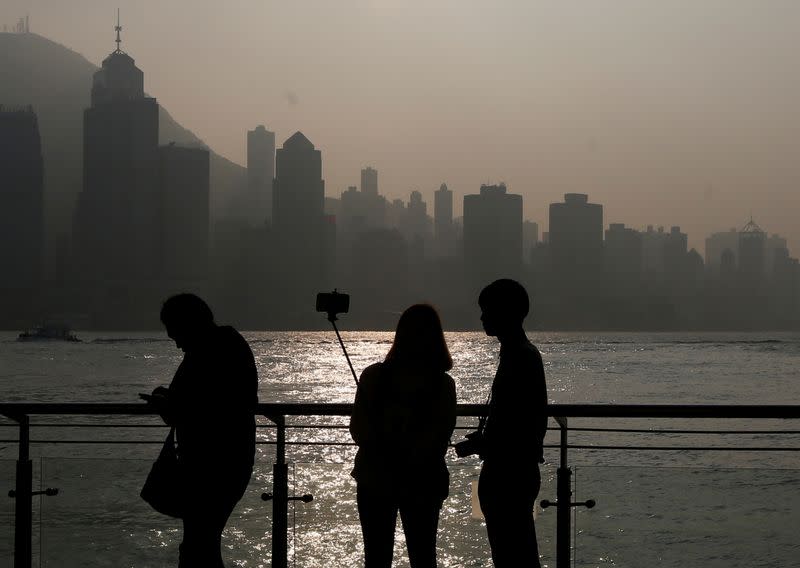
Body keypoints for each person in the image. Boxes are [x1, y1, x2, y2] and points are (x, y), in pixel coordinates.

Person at [146, 293, 258, 568]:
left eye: (176, 335)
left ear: (187, 325)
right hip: (228, 462)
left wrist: (168, 404)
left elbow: (197, 407)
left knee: (198, 546)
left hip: (209, 467)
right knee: (202, 543)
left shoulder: (205, 352)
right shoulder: (229, 345)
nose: (177, 345)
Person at [350, 304, 457, 568]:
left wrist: (384, 445)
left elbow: (358, 430)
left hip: (375, 478)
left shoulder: (373, 376)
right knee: (423, 556)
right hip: (424, 480)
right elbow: (441, 434)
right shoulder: (443, 384)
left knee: (376, 556)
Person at [468, 279, 548, 567]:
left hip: (509, 475)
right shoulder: (519, 355)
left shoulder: (521, 358)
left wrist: (485, 443)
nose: (482, 317)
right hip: (512, 472)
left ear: (505, 313)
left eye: (486, 310)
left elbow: (520, 426)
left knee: (513, 554)